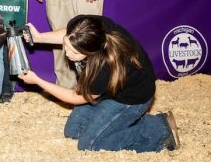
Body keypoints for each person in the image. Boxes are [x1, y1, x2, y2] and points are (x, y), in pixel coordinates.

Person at [18, 15, 180, 153]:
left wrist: (38, 81)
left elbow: (75, 97)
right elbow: (70, 34)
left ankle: (159, 129)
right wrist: (39, 37)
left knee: (90, 144)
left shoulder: (104, 69)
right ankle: (117, 123)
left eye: (74, 52)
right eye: (66, 47)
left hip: (132, 98)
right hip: (109, 90)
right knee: (73, 131)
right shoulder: (90, 27)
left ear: (92, 52)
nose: (67, 53)